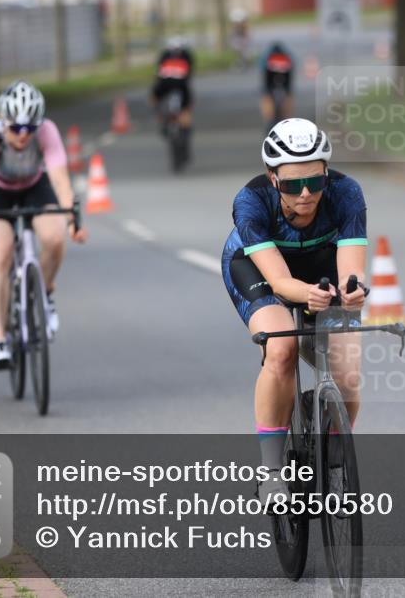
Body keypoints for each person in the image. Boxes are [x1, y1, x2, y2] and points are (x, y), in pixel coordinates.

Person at [221, 118, 368, 501]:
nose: (305, 194)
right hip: (259, 269)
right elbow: (281, 282)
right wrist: (306, 296)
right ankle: (270, 471)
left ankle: (335, 464)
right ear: (272, 178)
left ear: (326, 173)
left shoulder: (346, 192)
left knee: (348, 374)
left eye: (315, 182)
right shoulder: (250, 201)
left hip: (320, 267)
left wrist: (351, 292)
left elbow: (351, 269)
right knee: (281, 349)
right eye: (291, 185)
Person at [0, 81, 87, 369]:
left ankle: (44, 291)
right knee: (1, 253)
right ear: (3, 121)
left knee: (55, 237)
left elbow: (60, 179)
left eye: (29, 128)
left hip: (35, 186)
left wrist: (72, 220)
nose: (23, 135)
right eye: (16, 128)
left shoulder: (47, 131)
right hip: (0, 192)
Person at [150, 36, 194, 134]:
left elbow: (159, 70)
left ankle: (160, 117)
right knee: (186, 106)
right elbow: (189, 72)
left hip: (165, 82)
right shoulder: (186, 55)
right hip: (180, 83)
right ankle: (185, 126)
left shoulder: (165, 55)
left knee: (154, 98)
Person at [258, 42, 294, 128]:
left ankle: (270, 117)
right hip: (283, 70)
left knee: (267, 92)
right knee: (286, 92)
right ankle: (285, 117)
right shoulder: (287, 58)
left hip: (271, 70)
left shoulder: (266, 58)